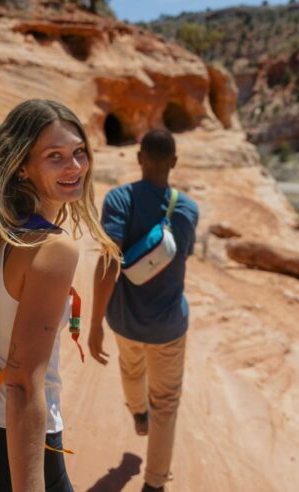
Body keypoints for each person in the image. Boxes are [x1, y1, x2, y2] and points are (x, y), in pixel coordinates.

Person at [0, 99, 119, 492]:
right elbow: (24, 383)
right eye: (55, 157)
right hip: (12, 451)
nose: (75, 167)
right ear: (22, 167)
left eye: (79, 152)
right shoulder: (52, 249)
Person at [88, 128, 199, 492]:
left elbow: (108, 264)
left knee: (131, 368)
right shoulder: (187, 208)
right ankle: (154, 484)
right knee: (166, 403)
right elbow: (184, 255)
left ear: (139, 158)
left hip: (125, 320)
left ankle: (138, 412)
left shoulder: (120, 199)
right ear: (175, 163)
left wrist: (94, 324)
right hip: (168, 325)